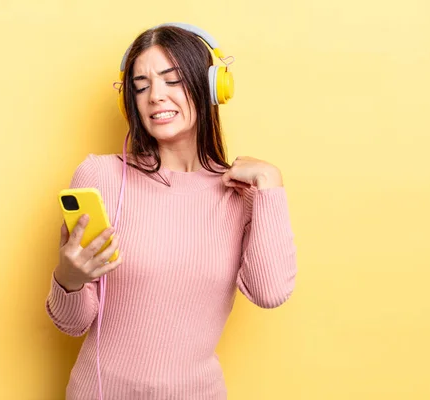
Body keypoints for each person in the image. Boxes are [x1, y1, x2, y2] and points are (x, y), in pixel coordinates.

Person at [46, 23, 297, 400]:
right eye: (141, 85)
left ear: (212, 86)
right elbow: (71, 322)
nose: (155, 96)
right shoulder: (101, 175)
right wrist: (68, 278)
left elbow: (270, 292)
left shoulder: (245, 194)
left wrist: (270, 183)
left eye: (172, 80)